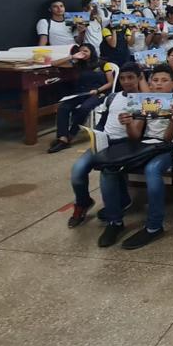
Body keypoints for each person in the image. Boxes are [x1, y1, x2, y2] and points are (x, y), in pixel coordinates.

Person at [97, 64, 173, 250]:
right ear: (149, 83)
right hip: (144, 145)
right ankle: (115, 222)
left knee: (152, 170)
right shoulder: (144, 100)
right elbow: (135, 136)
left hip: (168, 147)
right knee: (108, 168)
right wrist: (129, 123)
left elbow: (168, 139)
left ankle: (154, 226)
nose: (159, 85)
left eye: (164, 80)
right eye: (155, 80)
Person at [67, 62, 142, 227]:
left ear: (139, 78)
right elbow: (103, 121)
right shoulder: (113, 97)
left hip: (124, 143)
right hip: (103, 140)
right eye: (122, 78)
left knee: (108, 172)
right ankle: (83, 202)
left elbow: (136, 135)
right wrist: (96, 134)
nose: (126, 81)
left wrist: (129, 124)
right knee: (77, 171)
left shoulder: (141, 101)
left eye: (131, 78)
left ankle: (116, 210)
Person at [47, 43, 115, 153]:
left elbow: (110, 83)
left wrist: (97, 90)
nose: (83, 54)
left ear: (92, 51)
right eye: (81, 51)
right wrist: (72, 57)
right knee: (63, 107)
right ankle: (62, 137)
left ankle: (70, 135)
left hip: (98, 92)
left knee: (84, 108)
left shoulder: (103, 64)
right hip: (81, 93)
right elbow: (54, 64)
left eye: (86, 51)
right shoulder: (78, 63)